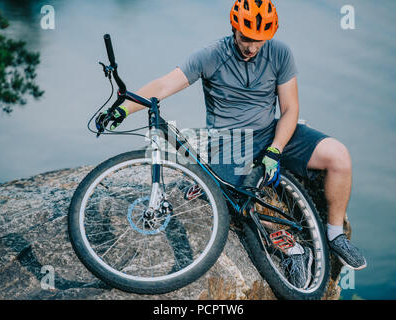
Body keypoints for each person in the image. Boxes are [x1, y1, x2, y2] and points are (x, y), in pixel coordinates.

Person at [97, 0, 366, 289]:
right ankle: (291, 249)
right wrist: (122, 108)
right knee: (236, 197)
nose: (251, 47)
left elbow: (290, 109)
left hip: (273, 132)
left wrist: (275, 149)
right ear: (234, 28)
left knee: (338, 156)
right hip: (230, 141)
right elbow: (163, 86)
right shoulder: (211, 55)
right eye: (246, 38)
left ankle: (335, 233)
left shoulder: (280, 53)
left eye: (259, 40)